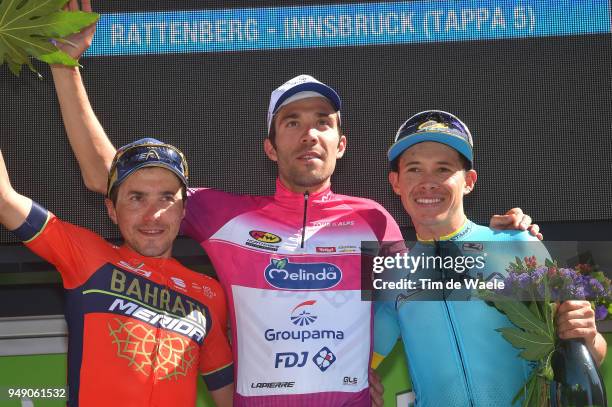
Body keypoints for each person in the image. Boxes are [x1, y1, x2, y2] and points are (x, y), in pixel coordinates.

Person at [49, 4, 541, 405]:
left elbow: (434, 290)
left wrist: (513, 242)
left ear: (341, 143)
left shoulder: (375, 219)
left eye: (323, 121)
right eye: (291, 121)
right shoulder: (223, 215)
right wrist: (65, 65)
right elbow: (111, 174)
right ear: (270, 146)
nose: (309, 133)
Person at [373, 110, 607, 406]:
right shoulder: (394, 274)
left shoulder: (517, 244)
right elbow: (356, 364)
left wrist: (587, 335)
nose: (428, 182)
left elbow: (590, 350)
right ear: (396, 183)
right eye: (415, 169)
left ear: (469, 181)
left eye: (443, 169)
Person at [0, 139, 234, 407]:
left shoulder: (208, 293)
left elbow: (228, 395)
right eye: (137, 198)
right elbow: (4, 200)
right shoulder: (87, 257)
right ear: (112, 210)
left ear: (183, 210)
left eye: (167, 198)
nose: (153, 216)